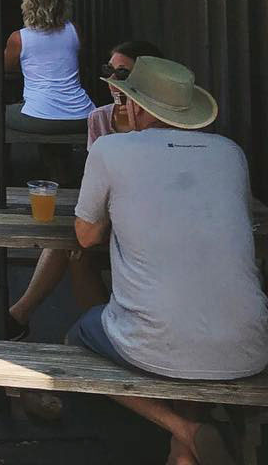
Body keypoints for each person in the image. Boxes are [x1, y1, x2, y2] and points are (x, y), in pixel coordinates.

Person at [70, 57, 268, 463]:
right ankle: (182, 451)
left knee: (74, 342)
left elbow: (86, 237)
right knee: (189, 337)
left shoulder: (110, 149)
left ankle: (186, 430)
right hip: (248, 344)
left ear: (139, 108)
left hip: (156, 344)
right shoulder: (230, 153)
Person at [0, 41, 164, 342]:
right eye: (108, 71)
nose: (113, 80)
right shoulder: (99, 118)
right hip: (108, 216)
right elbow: (95, 184)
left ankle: (19, 318)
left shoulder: (164, 124)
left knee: (77, 244)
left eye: (122, 73)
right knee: (76, 243)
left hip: (150, 222)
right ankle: (101, 332)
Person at [4, 0, 94, 135]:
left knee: (1, 113)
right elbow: (79, 61)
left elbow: (7, 67)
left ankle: (2, 158)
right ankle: (56, 160)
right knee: (40, 114)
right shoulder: (74, 30)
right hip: (83, 115)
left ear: (27, 4)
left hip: (40, 117)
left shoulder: (18, 38)